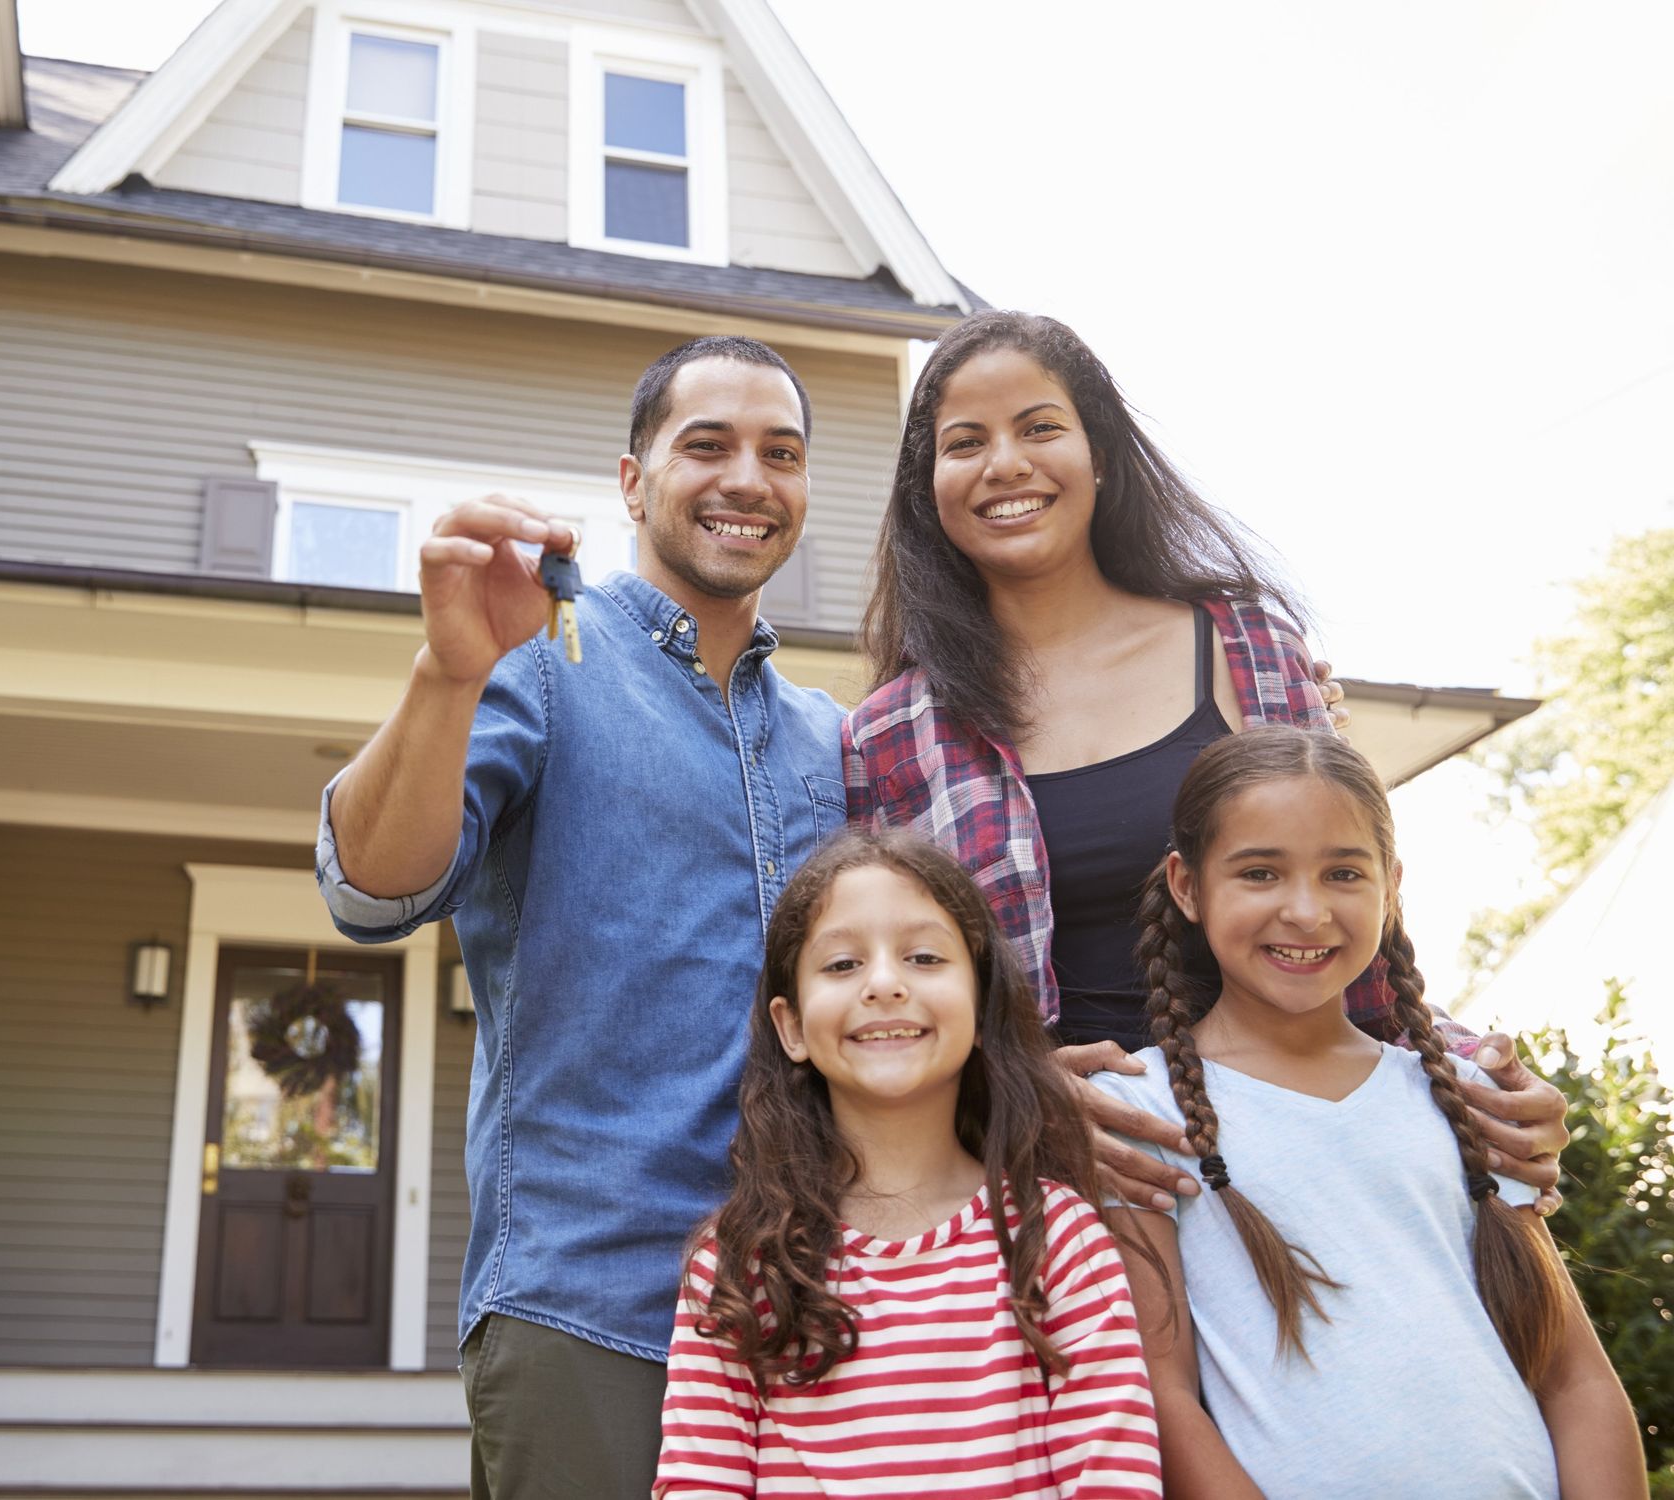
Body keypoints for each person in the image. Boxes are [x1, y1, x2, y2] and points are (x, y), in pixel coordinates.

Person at [844, 309, 1568, 1213]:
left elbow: (1352, 927)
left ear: (1100, 454)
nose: (1006, 463)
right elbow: (885, 996)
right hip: (1062, 1190)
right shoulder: (891, 735)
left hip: (1295, 1157)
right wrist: (1012, 1095)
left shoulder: (1250, 648)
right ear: (929, 487)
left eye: (1040, 427)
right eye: (965, 442)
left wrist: (1477, 1080)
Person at [319, 335, 842, 1498]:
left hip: (815, 1314)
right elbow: (370, 889)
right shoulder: (539, 662)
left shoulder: (828, 737)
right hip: (594, 1312)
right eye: (705, 445)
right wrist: (447, 673)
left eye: (781, 453)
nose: (746, 478)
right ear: (631, 482)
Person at [1092, 727, 1645, 1500]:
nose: (1307, 911)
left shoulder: (1460, 1095)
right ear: (1188, 886)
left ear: (1391, 886)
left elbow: (1573, 1376)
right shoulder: (1139, 1112)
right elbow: (1164, 1394)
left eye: (1344, 873)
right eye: (1260, 872)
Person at [656, 828, 1161, 1498]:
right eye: (842, 965)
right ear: (792, 1026)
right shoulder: (739, 1260)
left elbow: (1114, 1482)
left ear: (980, 1003)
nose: (885, 984)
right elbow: (700, 1483)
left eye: (923, 957)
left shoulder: (1057, 1239)